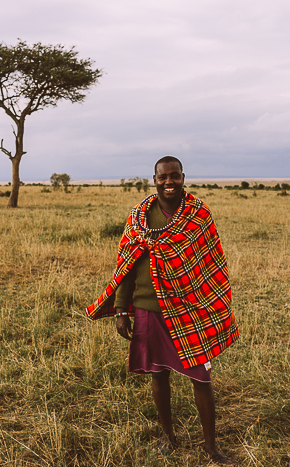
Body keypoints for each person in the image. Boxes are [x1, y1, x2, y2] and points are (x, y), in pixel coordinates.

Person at [85, 156, 239, 465]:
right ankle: (169, 438)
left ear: (183, 177)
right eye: (162, 177)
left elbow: (208, 264)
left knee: (202, 379)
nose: (169, 182)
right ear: (154, 179)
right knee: (158, 375)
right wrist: (120, 310)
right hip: (146, 309)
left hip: (188, 310)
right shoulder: (139, 217)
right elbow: (126, 266)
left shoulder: (198, 215)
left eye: (174, 176)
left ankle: (211, 448)